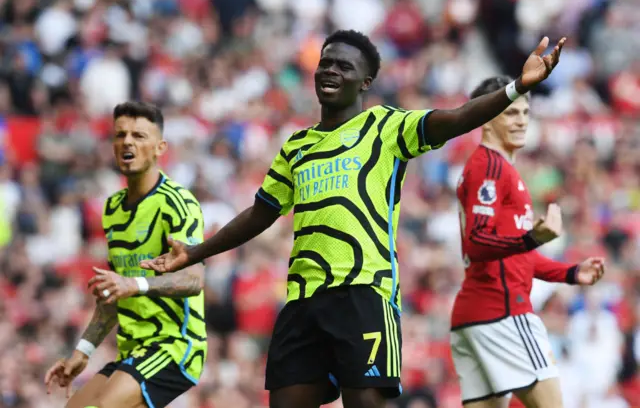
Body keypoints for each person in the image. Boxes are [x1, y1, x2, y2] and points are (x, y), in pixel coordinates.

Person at [141, 30, 566, 408]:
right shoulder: (297, 146)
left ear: (364, 83)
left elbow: (455, 119)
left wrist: (515, 89)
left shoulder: (386, 127)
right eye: (325, 62)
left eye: (344, 66)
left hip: (364, 294)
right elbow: (259, 213)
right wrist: (195, 252)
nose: (330, 70)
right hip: (303, 301)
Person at [450, 76, 606, 408]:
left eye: (525, 112)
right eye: (510, 112)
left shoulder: (498, 167)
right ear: (485, 118)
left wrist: (569, 272)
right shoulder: (490, 167)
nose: (521, 120)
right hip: (503, 312)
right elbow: (478, 242)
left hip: (475, 315)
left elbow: (513, 253)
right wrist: (533, 237)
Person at [44, 101, 207, 408]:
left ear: (160, 148)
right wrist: (83, 352)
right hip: (133, 350)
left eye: (139, 135)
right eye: (120, 135)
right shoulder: (112, 210)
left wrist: (136, 285)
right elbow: (112, 293)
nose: (127, 142)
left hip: (174, 346)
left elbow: (195, 279)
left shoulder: (177, 203)